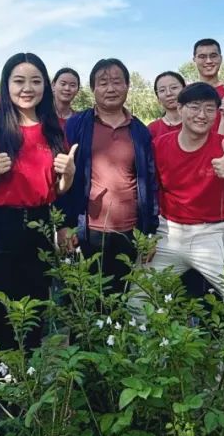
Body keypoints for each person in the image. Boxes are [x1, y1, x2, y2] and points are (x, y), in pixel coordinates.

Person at [0, 52, 77, 436]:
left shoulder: (54, 130)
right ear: (6, 85)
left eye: (35, 80)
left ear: (45, 86)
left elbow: (58, 191)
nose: (27, 88)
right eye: (19, 80)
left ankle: (23, 423)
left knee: (31, 330)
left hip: (38, 231)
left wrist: (69, 176)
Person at [138, 83, 224, 312]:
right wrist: (148, 235)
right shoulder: (160, 145)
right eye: (195, 107)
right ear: (180, 109)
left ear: (217, 113)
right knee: (137, 300)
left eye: (209, 109)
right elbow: (147, 193)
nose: (202, 115)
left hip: (214, 232)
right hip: (168, 232)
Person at [58, 59, 159, 293]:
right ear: (93, 89)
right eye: (103, 83)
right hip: (87, 230)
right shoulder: (77, 125)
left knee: (122, 298)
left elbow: (150, 183)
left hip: (129, 231)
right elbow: (62, 177)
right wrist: (64, 225)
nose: (110, 88)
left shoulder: (139, 131)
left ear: (127, 86)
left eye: (116, 82)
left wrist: (150, 231)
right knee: (85, 298)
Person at [192, 38, 224, 137]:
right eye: (202, 57)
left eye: (213, 56)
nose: (208, 61)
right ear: (194, 59)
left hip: (222, 146)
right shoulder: (187, 92)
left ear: (220, 58)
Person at [148, 71, 185, 141]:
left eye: (174, 87)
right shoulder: (152, 129)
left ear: (185, 90)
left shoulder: (198, 122)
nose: (168, 93)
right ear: (158, 98)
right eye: (162, 90)